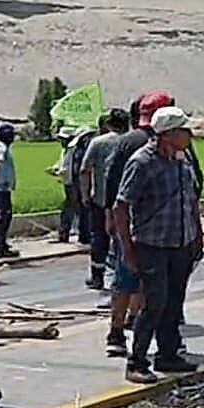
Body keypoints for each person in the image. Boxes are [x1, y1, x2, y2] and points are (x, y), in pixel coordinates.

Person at [113, 106, 204, 384]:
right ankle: (137, 360)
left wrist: (196, 234)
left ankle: (168, 354)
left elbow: (189, 201)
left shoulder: (182, 160)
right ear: (168, 134)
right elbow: (121, 206)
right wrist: (127, 247)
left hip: (180, 242)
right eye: (184, 130)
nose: (189, 135)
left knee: (173, 302)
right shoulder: (142, 162)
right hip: (151, 244)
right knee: (154, 302)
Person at [103, 94, 173, 357]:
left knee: (125, 279)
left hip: (128, 222)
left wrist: (109, 216)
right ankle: (136, 327)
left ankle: (117, 331)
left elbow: (111, 183)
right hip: (155, 228)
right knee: (146, 281)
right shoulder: (165, 147)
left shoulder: (125, 142)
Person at [82, 109, 131, 290]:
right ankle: (121, 277)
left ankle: (97, 277)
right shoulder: (130, 142)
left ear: (109, 124)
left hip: (100, 199)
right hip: (125, 199)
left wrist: (85, 194)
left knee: (99, 237)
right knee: (123, 238)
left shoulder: (98, 142)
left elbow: (85, 170)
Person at [0, 123, 19, 258]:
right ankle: (1, 246)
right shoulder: (1, 147)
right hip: (2, 188)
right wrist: (1, 179)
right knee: (4, 217)